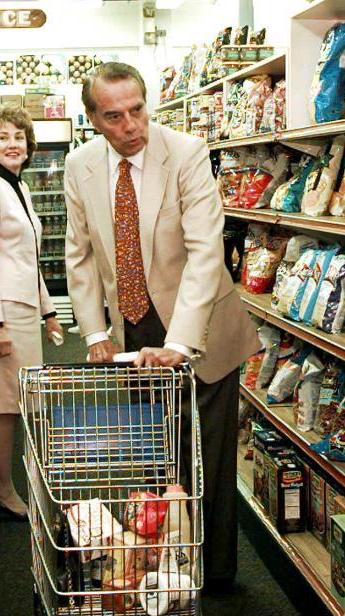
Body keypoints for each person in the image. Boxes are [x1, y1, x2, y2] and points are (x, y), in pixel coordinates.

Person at [63, 62, 260, 589]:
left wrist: (179, 342)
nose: (130, 126)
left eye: (137, 110)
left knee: (208, 455)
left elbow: (203, 253)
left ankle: (216, 575)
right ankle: (168, 566)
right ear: (92, 118)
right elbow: (79, 256)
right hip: (132, 329)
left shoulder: (187, 153)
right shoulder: (79, 166)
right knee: (156, 451)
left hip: (201, 326)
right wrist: (94, 333)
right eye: (114, 116)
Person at [0, 105, 63, 521]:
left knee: (18, 398)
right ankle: (5, 489)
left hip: (22, 308)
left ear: (29, 146)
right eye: (3, 137)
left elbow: (30, 258)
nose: (13, 144)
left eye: (19, 137)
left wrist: (49, 312)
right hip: (2, 310)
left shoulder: (17, 187)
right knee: (4, 402)